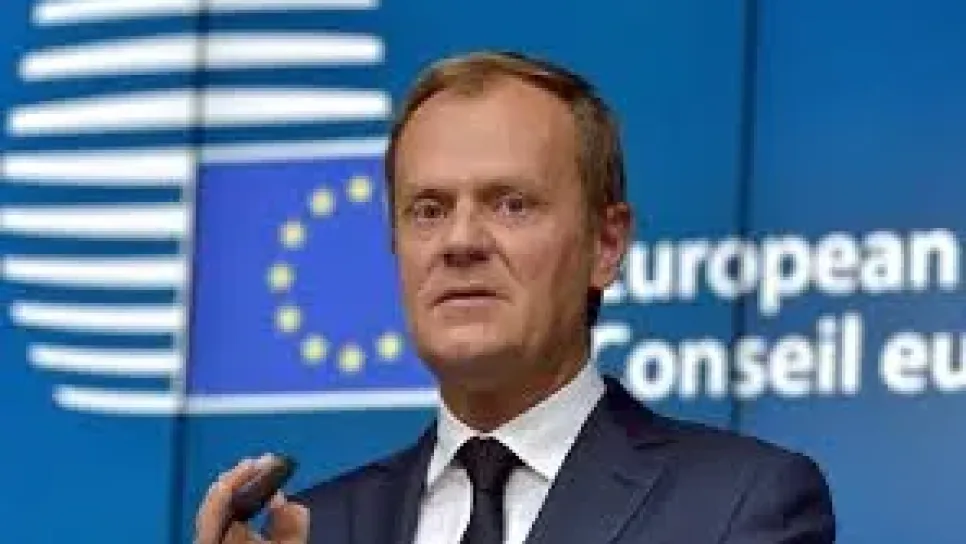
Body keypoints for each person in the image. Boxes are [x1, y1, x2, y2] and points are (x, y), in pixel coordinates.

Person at [194, 50, 836, 544]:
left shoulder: (742, 504)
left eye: (511, 204)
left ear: (606, 244)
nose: (460, 242)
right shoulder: (322, 526)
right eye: (428, 209)